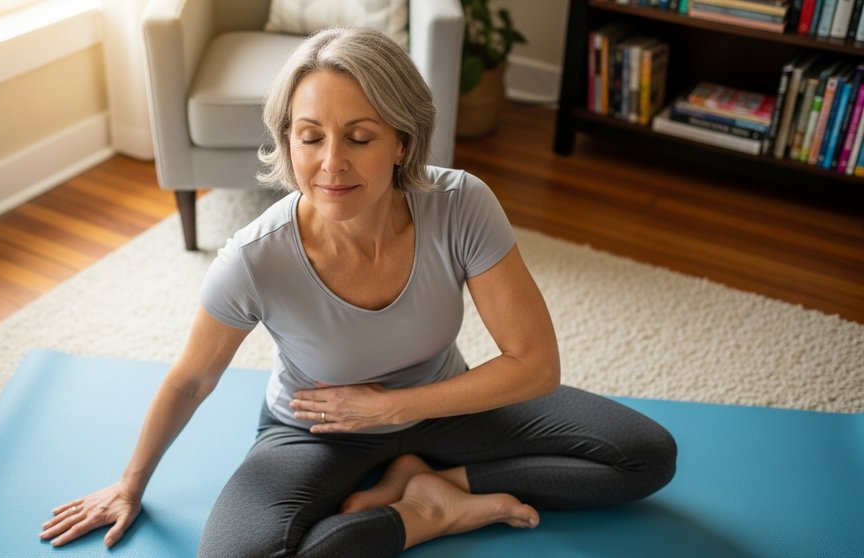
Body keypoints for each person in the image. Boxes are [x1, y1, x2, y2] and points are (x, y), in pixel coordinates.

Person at [39, 27, 677, 557]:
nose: (331, 163)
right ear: (288, 139)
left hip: (446, 407)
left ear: (402, 141)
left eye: (360, 137)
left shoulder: (460, 204)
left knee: (645, 457)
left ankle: (437, 483)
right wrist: (129, 484)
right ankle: (425, 512)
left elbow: (535, 365)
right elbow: (189, 380)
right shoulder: (253, 259)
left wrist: (394, 409)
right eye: (310, 136)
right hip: (316, 430)